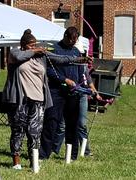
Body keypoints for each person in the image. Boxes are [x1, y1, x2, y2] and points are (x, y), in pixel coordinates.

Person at [2, 29, 89, 170]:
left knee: (35, 131)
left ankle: (33, 160)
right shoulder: (15, 53)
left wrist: (79, 59)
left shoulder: (41, 56)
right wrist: (34, 51)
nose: (34, 47)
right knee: (18, 130)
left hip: (38, 99)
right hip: (20, 99)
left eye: (35, 44)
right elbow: (19, 57)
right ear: (23, 45)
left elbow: (60, 59)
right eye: (31, 45)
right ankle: (16, 161)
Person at [39, 26, 101, 160]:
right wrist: (65, 80)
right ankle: (44, 155)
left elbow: (82, 72)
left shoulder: (76, 52)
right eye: (72, 39)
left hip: (73, 93)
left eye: (76, 40)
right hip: (56, 91)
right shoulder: (54, 50)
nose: (74, 42)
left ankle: (72, 155)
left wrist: (85, 87)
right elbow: (48, 71)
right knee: (52, 122)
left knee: (72, 124)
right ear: (65, 36)